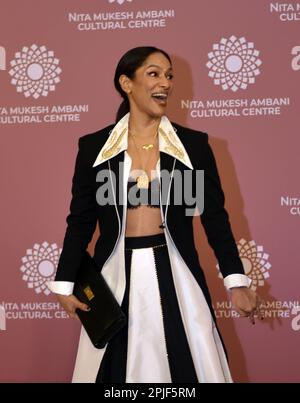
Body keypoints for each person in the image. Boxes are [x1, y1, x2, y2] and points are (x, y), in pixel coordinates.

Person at [48, 46, 263, 383]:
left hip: (177, 273)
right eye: (154, 73)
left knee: (188, 367)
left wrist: (237, 281)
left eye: (169, 75)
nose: (165, 82)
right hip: (115, 275)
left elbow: (214, 218)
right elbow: (80, 220)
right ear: (126, 82)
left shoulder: (193, 146)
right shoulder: (94, 147)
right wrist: (63, 283)